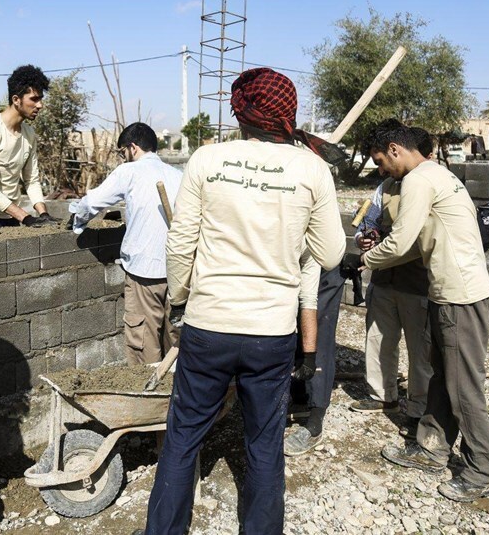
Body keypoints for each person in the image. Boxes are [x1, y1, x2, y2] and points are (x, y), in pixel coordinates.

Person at [133, 68, 346, 535]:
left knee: (183, 438)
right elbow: (331, 253)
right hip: (271, 331)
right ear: (286, 114)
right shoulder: (311, 168)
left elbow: (180, 245)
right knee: (265, 444)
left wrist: (184, 298)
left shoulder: (207, 160)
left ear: (241, 112)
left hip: (209, 324)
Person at [361, 120, 489, 503]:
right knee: (440, 376)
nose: (382, 171)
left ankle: (482, 470)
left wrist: (364, 260)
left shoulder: (419, 180)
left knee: (463, 386)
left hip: (460, 296)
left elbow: (402, 241)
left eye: (381, 161)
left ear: (394, 149)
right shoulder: (440, 174)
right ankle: (433, 447)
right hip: (448, 291)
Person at [69, 122, 183, 364]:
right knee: (176, 342)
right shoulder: (178, 176)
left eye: (122, 153)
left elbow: (92, 203)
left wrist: (76, 218)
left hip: (144, 273)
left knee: (143, 343)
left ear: (133, 148)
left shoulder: (128, 172)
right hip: (179, 275)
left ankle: (148, 396)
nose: (123, 158)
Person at [350, 126, 435, 441]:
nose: (380, 168)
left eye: (381, 161)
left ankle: (418, 409)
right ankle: (382, 394)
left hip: (418, 283)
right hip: (384, 279)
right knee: (378, 338)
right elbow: (364, 224)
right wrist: (364, 239)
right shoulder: (383, 187)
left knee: (420, 350)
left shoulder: (427, 184)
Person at [0, 64, 59, 229]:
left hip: (12, 215)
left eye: (41, 99)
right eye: (34, 99)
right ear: (16, 100)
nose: (40, 105)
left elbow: (31, 179)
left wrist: (43, 214)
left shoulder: (28, 134)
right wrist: (27, 218)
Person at [285, 262, 346, 455]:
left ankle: (315, 419)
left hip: (324, 266)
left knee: (319, 331)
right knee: (288, 323)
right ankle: (299, 397)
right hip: (292, 258)